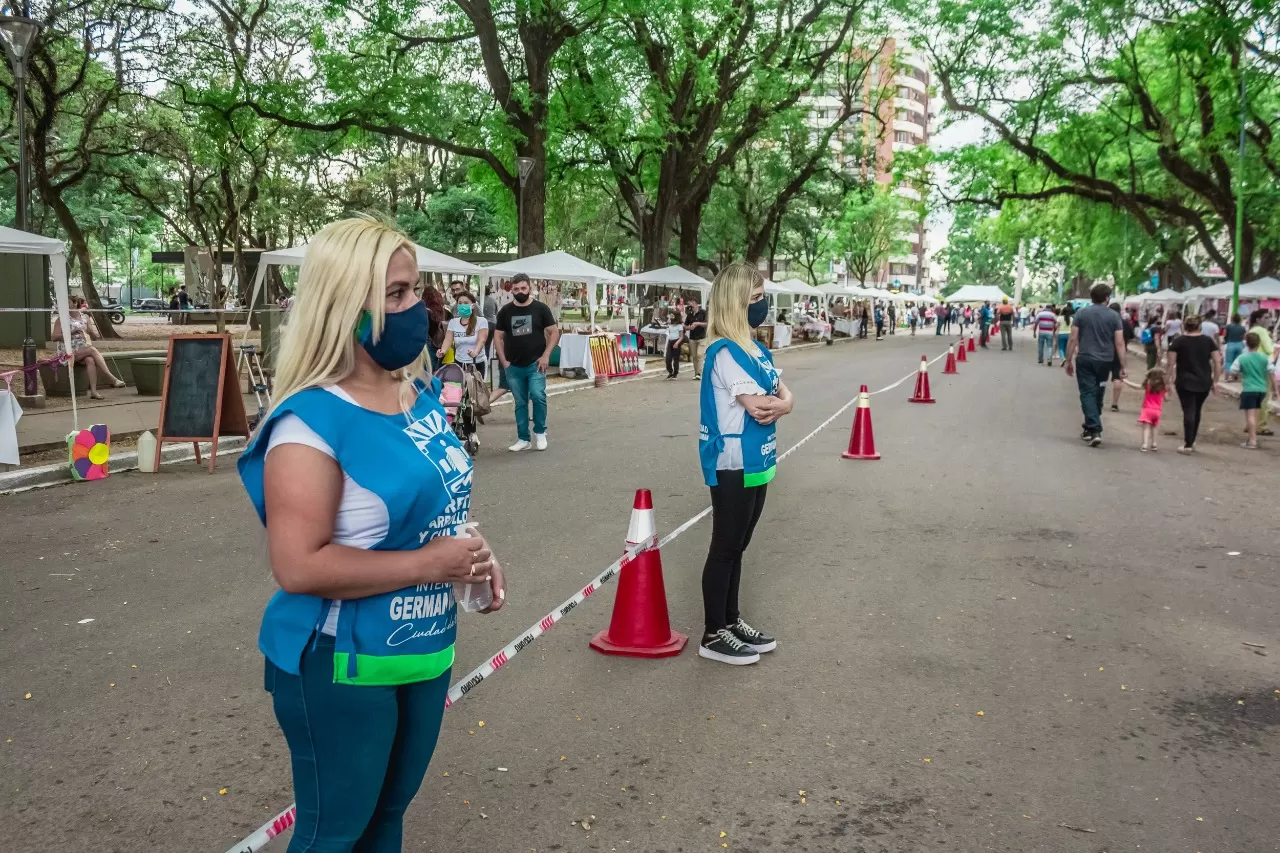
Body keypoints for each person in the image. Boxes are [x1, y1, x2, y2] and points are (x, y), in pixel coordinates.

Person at [236, 217, 506, 853]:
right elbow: (298, 567)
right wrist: (429, 565)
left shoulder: (413, 392)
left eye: (415, 290)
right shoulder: (309, 422)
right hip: (338, 662)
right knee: (334, 834)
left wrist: (474, 555)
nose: (419, 309)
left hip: (424, 647)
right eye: (397, 295)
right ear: (341, 308)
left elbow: (439, 503)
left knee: (387, 823)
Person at [697, 262, 793, 665]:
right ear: (735, 304)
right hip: (733, 460)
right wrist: (783, 403)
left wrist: (786, 403)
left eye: (762, 297)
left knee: (740, 545)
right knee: (725, 547)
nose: (763, 305)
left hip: (760, 458)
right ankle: (713, 632)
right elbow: (759, 405)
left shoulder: (758, 348)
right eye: (755, 299)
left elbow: (783, 395)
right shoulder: (724, 351)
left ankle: (732, 620)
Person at [495, 273, 559, 452]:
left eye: (523, 288)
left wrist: (546, 355)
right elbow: (498, 336)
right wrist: (504, 361)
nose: (520, 292)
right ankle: (523, 438)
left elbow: (554, 332)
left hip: (536, 364)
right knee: (520, 402)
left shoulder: (541, 308)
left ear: (529, 288)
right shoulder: (505, 311)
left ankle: (540, 432)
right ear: (511, 290)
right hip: (513, 366)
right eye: (516, 289)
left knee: (538, 396)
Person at [1065, 283, 1126, 447]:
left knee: (1087, 393)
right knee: (1099, 390)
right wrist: (1122, 365)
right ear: (1107, 298)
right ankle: (1090, 427)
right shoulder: (1114, 316)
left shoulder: (1081, 313)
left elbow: (1073, 338)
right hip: (1105, 362)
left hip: (1085, 359)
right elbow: (1119, 343)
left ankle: (1094, 428)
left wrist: (1068, 359)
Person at [1165, 315, 1222, 454]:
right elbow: (1217, 361)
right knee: (1197, 410)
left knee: (1188, 410)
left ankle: (1188, 444)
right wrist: (1216, 381)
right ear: (1199, 326)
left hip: (1184, 381)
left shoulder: (1178, 341)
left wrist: (1167, 381)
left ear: (1184, 326)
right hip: (1204, 380)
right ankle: (1192, 441)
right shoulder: (1208, 341)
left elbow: (1170, 364)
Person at [52, 297, 127, 400]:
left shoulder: (85, 317)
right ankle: (111, 378)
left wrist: (90, 332)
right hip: (67, 351)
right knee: (92, 350)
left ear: (75, 303)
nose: (65, 305)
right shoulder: (62, 319)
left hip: (82, 349)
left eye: (68, 302)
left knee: (90, 360)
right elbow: (54, 337)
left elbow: (94, 337)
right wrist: (72, 332)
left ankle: (93, 391)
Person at [1231, 332, 1275, 449]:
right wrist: (1275, 391)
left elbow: (1233, 371)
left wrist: (1241, 375)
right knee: (1255, 415)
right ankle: (1252, 438)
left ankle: (1252, 440)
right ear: (1258, 343)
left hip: (1249, 389)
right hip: (1262, 389)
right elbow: (1271, 373)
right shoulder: (1265, 358)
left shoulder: (1242, 357)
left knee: (1250, 416)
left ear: (1246, 343)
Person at [438, 291, 490, 377]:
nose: (462, 305)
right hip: (459, 363)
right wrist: (442, 351)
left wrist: (475, 352)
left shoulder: (481, 321)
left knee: (477, 390)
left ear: (473, 305)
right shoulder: (453, 322)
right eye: (460, 303)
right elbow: (448, 340)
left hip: (477, 363)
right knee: (461, 389)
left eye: (466, 303)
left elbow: (482, 340)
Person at [1245, 309, 1274, 436]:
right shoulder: (1262, 331)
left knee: (1251, 395)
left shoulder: (1251, 330)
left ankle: (1250, 424)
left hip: (1251, 365)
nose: (1269, 320)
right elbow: (1269, 349)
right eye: (1266, 317)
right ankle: (1261, 425)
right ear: (1258, 319)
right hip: (1262, 365)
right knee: (1264, 397)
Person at [1109, 303, 1135, 412]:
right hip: (1120, 353)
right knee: (1117, 378)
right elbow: (1132, 336)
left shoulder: (1107, 322)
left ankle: (1098, 400)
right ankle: (1114, 404)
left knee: (1100, 377)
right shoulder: (1125, 323)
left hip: (1104, 351)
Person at [1136, 367, 1168, 452]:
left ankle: (1145, 445)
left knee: (1146, 428)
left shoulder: (1148, 384)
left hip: (1147, 409)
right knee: (1155, 428)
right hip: (1157, 411)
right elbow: (1166, 399)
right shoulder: (1162, 387)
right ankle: (1154, 444)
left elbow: (1137, 387)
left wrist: (1126, 381)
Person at [685, 295, 708, 379]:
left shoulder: (703, 312)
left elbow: (707, 323)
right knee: (694, 356)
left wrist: (698, 323)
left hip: (702, 337)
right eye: (689, 305)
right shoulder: (689, 314)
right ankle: (696, 373)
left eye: (691, 304)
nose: (690, 306)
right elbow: (685, 326)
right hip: (692, 338)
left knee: (700, 354)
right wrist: (689, 327)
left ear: (695, 304)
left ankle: (699, 373)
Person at [664, 308, 686, 379]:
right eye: (671, 316)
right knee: (668, 358)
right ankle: (670, 371)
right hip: (670, 342)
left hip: (676, 341)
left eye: (672, 316)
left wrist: (677, 343)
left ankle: (675, 373)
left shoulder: (679, 326)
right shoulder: (670, 325)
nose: (671, 317)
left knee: (676, 359)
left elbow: (681, 336)